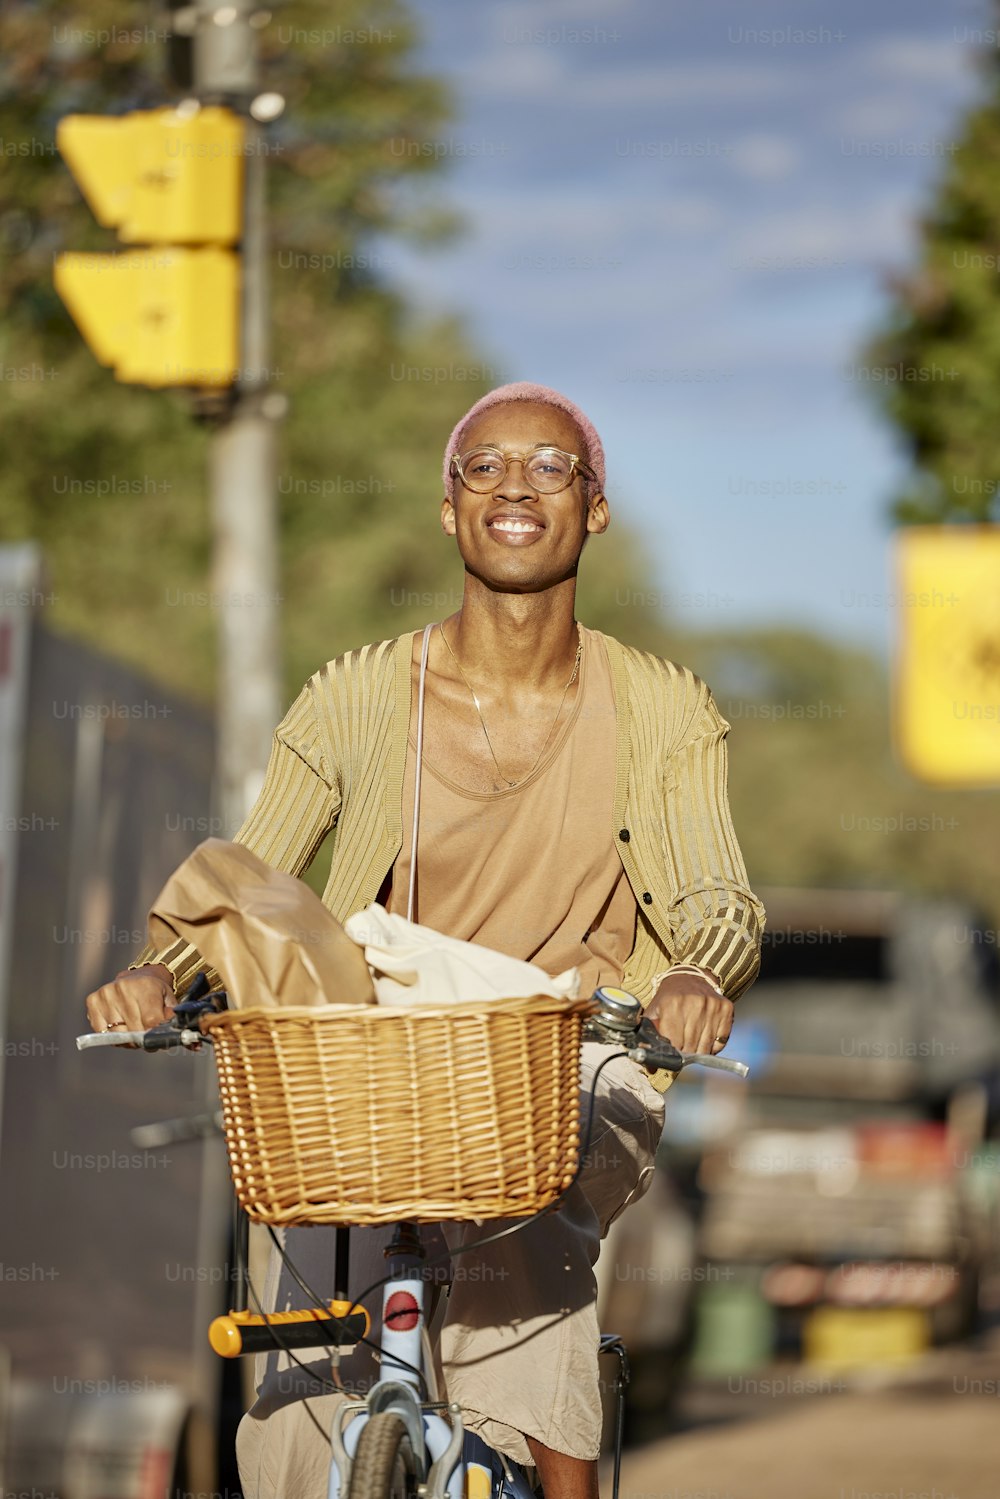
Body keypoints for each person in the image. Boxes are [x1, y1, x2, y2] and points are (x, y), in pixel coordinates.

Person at [85, 382, 764, 1499]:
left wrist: (695, 969)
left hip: (573, 1051)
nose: (513, 487)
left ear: (594, 509)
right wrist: (163, 971)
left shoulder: (661, 707)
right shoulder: (357, 694)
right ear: (448, 508)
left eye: (550, 467)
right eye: (483, 467)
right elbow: (256, 878)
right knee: (305, 1355)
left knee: (529, 1233)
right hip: (377, 1062)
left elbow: (715, 893)